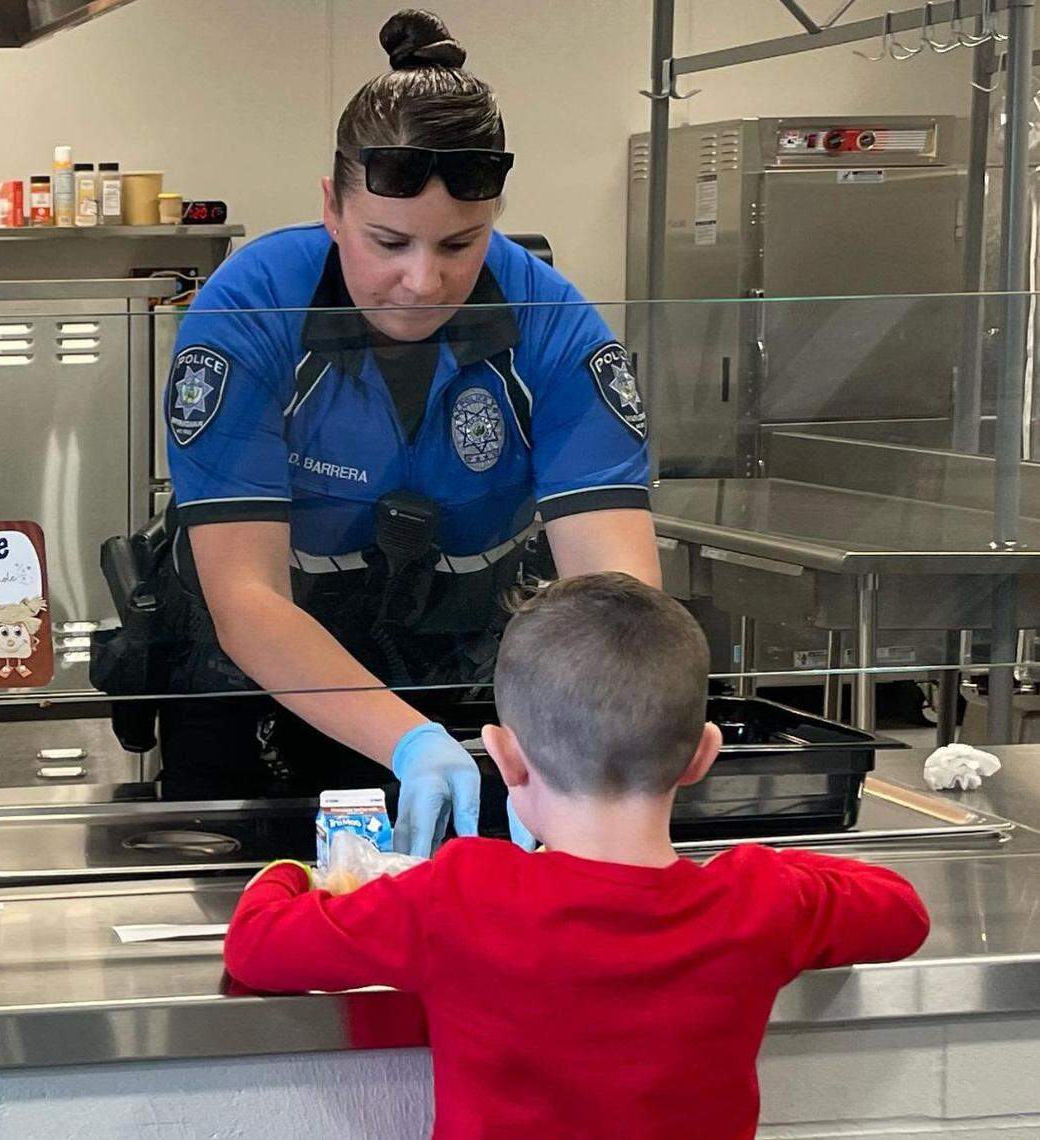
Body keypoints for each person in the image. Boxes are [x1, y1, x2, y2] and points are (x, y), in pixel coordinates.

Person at [158, 9, 661, 853]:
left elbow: (620, 601)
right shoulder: (248, 309)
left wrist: (597, 765)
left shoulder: (554, 322)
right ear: (330, 205)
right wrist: (408, 743)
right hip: (251, 683)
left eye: (461, 244)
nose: (422, 281)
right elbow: (246, 597)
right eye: (387, 241)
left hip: (466, 670)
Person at [223, 572, 930, 1140]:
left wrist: (295, 873)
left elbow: (258, 948)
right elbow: (901, 913)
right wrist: (765, 867)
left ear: (504, 756)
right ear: (702, 756)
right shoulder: (759, 899)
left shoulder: (462, 893)